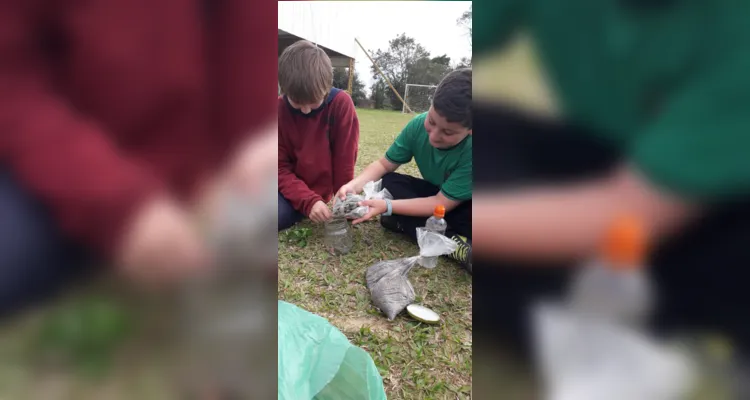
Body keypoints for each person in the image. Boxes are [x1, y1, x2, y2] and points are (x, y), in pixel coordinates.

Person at [470, 0, 750, 366]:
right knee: (487, 131)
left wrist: (475, 222)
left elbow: (633, 212)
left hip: (703, 199)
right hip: (607, 151)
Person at [0, 0, 278, 316]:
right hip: (62, 165)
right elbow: (10, 83)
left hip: (202, 173)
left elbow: (248, 44)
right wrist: (121, 204)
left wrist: (251, 141)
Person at [336, 68, 473, 272]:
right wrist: (353, 185)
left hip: (464, 203)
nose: (434, 136)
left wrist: (388, 206)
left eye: (447, 132)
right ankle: (438, 236)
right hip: (438, 196)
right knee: (390, 182)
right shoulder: (417, 126)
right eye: (432, 122)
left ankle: (449, 243)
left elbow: (440, 203)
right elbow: (384, 165)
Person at [277, 40, 360, 231]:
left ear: (326, 89)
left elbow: (344, 162)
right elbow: (279, 168)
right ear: (284, 91)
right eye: (297, 103)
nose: (305, 111)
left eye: (314, 102)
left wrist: (343, 202)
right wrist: (308, 201)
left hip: (315, 190)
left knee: (278, 216)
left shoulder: (341, 104)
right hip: (286, 186)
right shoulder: (278, 109)